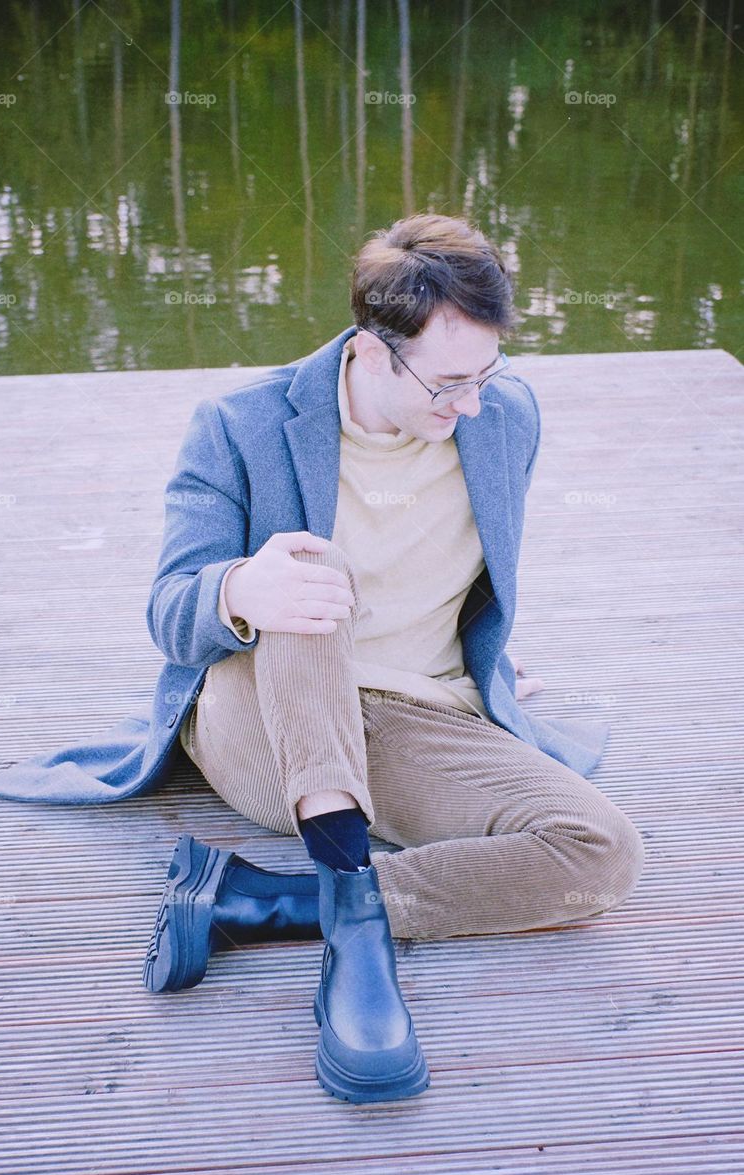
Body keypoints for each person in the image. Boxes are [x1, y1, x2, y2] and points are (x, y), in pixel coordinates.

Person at [140, 212, 646, 1104]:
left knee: (600, 852)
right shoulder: (238, 425)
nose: (473, 406)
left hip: (414, 715)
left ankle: (270, 903)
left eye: (486, 375)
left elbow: (465, 569)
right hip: (262, 719)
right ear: (372, 353)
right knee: (304, 570)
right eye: (448, 383)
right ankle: (355, 944)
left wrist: (486, 657)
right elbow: (171, 615)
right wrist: (237, 592)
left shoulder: (502, 417)